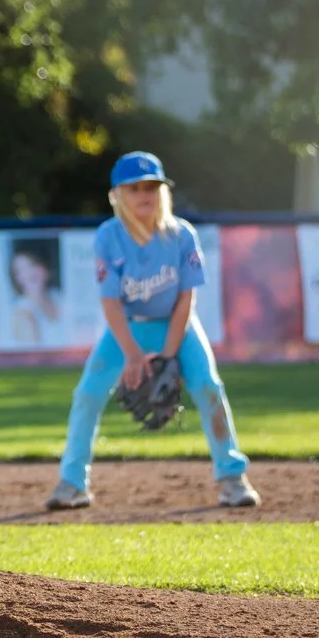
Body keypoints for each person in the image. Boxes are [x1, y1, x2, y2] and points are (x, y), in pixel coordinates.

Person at [45, 151, 260, 511]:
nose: (144, 195)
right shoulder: (109, 236)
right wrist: (132, 354)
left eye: (151, 187)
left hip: (178, 325)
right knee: (87, 395)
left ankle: (232, 478)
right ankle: (72, 482)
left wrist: (170, 356)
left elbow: (186, 299)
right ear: (117, 195)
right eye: (135, 188)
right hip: (127, 329)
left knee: (208, 387)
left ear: (163, 192)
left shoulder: (181, 235)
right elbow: (111, 303)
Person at [7, 240, 66, 347]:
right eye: (21, 270)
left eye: (33, 265)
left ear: (45, 267)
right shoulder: (21, 313)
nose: (29, 274)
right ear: (17, 278)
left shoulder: (58, 296)